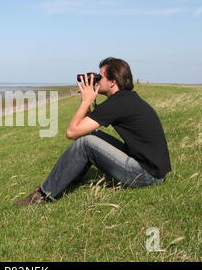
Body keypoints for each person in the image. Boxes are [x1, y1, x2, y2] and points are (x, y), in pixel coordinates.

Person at [14, 57, 172, 205]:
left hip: (146, 176)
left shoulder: (118, 104)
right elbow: (85, 126)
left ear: (113, 82)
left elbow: (71, 132)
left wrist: (86, 101)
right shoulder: (125, 99)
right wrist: (88, 102)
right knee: (89, 135)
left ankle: (43, 195)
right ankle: (71, 179)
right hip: (151, 170)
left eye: (100, 77)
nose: (96, 79)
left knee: (85, 143)